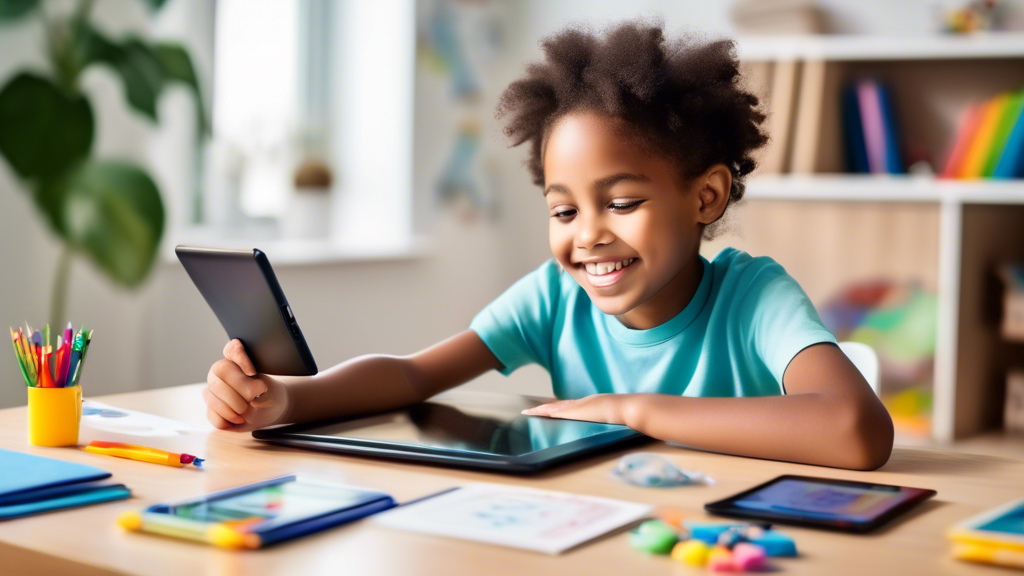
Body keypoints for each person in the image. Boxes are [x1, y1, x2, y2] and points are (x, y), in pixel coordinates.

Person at [201, 22, 893, 470]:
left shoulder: (753, 296)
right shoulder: (557, 296)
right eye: (563, 209)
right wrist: (289, 399)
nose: (588, 233)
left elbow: (856, 430)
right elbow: (413, 376)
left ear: (705, 198)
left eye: (622, 202)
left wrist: (631, 411)